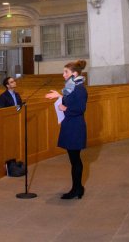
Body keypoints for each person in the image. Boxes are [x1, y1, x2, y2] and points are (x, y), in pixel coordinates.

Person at [45, 59, 88, 199]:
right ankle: (78, 187)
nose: (63, 74)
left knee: (75, 160)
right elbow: (69, 100)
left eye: (66, 72)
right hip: (70, 125)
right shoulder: (71, 87)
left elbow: (81, 108)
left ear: (74, 74)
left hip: (75, 127)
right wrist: (59, 96)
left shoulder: (80, 89)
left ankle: (76, 189)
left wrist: (65, 108)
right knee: (74, 160)